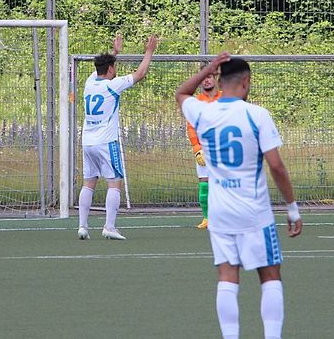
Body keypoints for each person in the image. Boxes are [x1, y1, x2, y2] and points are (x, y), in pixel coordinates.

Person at [176, 54, 302, 339]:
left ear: (219, 81)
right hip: (254, 212)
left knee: (227, 276)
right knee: (270, 275)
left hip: (220, 212)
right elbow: (276, 166)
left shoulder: (204, 113)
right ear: (245, 82)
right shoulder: (257, 115)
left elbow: (182, 93)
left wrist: (207, 69)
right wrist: (292, 207)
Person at [77, 33, 158, 241]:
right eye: (115, 66)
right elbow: (140, 74)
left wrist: (115, 52)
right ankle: (109, 227)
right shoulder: (112, 85)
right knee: (115, 183)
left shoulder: (89, 82)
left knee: (89, 183)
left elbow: (104, 67)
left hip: (87, 142)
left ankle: (82, 227)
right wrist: (149, 51)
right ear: (111, 69)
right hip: (106, 142)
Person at [185, 71, 222, 229]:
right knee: (205, 186)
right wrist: (196, 148)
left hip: (224, 150)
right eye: (203, 78)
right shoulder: (195, 104)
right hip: (204, 151)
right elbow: (191, 127)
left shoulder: (226, 99)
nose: (206, 81)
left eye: (209, 77)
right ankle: (207, 218)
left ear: (215, 79)